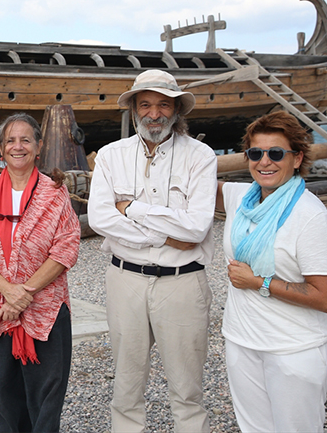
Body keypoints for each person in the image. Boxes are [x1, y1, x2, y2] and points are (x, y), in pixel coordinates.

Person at [87, 69, 216, 433]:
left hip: (183, 283)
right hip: (124, 279)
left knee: (188, 391)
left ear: (177, 110)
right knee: (126, 388)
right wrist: (163, 235)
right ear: (133, 110)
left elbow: (195, 228)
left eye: (163, 104)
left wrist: (132, 209)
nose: (154, 114)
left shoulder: (201, 156)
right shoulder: (112, 155)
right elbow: (99, 218)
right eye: (145, 104)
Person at [0, 113, 81, 433]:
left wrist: (23, 292)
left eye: (26, 139)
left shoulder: (55, 192)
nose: (18, 146)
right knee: (4, 396)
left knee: (46, 398)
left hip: (46, 310)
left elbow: (66, 249)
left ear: (39, 146)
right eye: (10, 140)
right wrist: (7, 290)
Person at [216, 111, 327, 432]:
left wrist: (259, 282)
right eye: (255, 153)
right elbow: (192, 181)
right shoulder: (241, 198)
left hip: (293, 348)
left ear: (297, 158)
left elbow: (323, 297)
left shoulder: (310, 215)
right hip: (241, 340)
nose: (265, 162)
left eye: (276, 153)